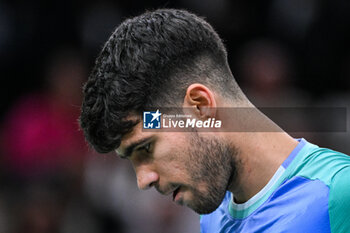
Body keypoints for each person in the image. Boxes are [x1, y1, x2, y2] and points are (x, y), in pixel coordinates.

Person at [79, 9, 350, 232]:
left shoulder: (339, 193)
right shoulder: (213, 218)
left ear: (200, 106)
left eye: (145, 147)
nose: (143, 180)